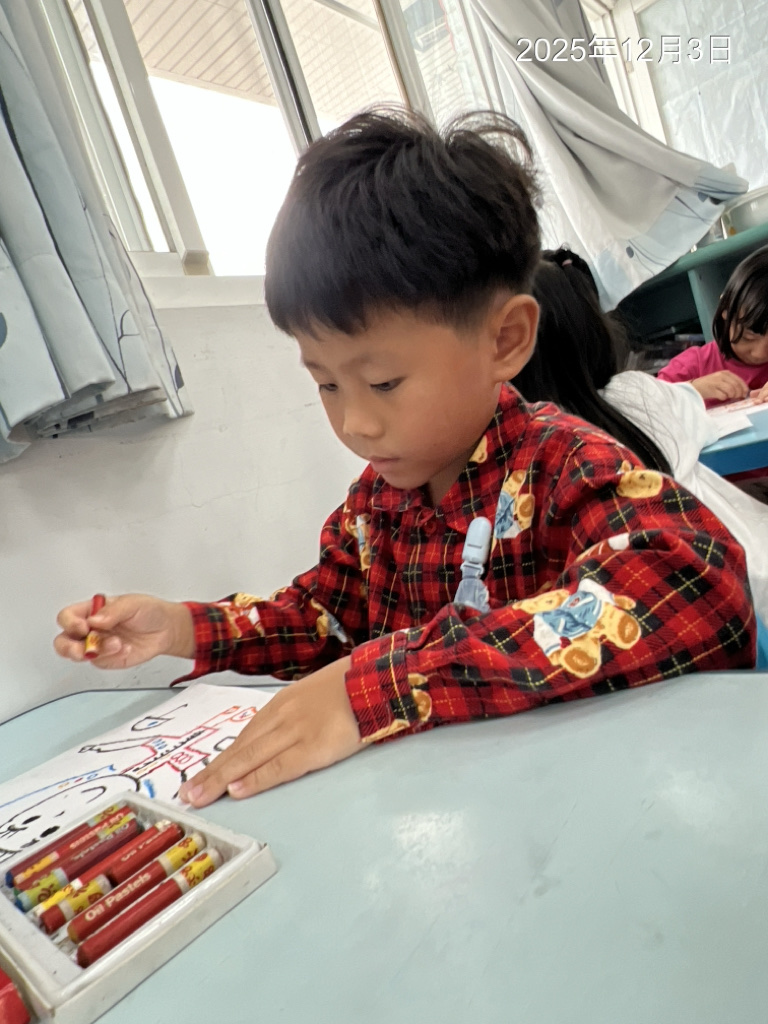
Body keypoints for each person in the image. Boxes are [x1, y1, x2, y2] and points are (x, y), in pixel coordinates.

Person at [54, 109, 756, 809]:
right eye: (326, 384)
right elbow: (326, 617)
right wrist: (185, 628)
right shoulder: (376, 504)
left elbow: (694, 588)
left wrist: (381, 686)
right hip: (458, 810)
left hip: (591, 802)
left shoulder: (566, 463)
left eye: (385, 383)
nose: (355, 423)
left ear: (506, 340)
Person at [514, 247, 768, 623]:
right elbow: (694, 418)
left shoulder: (529, 451)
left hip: (671, 607)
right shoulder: (638, 392)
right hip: (745, 569)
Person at [655, 245, 768, 405]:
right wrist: (693, 388)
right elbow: (649, 401)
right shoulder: (694, 366)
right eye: (748, 337)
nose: (759, 354)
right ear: (726, 313)